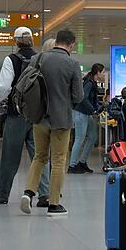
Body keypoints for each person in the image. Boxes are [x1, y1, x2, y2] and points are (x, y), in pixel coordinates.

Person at [20, 29, 83, 217]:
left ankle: (28, 193)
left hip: (39, 117)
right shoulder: (72, 64)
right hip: (61, 119)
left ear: (56, 41)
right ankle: (54, 204)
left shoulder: (37, 59)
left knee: (39, 157)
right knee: (58, 160)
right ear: (71, 44)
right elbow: (78, 96)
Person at [0, 27, 50, 206]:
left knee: (9, 158)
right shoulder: (42, 59)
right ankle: (45, 194)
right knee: (40, 156)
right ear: (32, 41)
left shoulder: (11, 59)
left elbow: (4, 87)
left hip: (16, 115)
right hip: (38, 116)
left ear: (16, 41)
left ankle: (3, 194)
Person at [69, 63, 104, 174]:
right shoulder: (89, 82)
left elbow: (92, 99)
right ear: (98, 72)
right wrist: (93, 110)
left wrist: (99, 107)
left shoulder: (92, 82)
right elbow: (83, 98)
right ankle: (72, 166)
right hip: (80, 112)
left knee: (93, 136)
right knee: (79, 138)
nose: (103, 75)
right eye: (102, 72)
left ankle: (82, 162)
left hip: (86, 113)